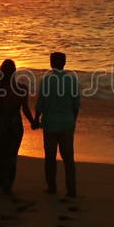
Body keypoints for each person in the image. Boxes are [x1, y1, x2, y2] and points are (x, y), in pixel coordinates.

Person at [0, 59, 36, 195]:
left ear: (1, 71)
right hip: (15, 126)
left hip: (1, 125)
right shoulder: (22, 88)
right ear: (14, 71)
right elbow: (25, 109)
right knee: (11, 156)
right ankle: (7, 185)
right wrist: (33, 122)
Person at [34, 52, 80, 197]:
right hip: (67, 123)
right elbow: (76, 104)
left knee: (50, 157)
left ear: (51, 63)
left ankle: (52, 186)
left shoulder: (46, 79)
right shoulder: (72, 80)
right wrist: (73, 121)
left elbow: (41, 102)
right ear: (64, 63)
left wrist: (36, 119)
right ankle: (71, 189)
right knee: (68, 158)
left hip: (49, 123)